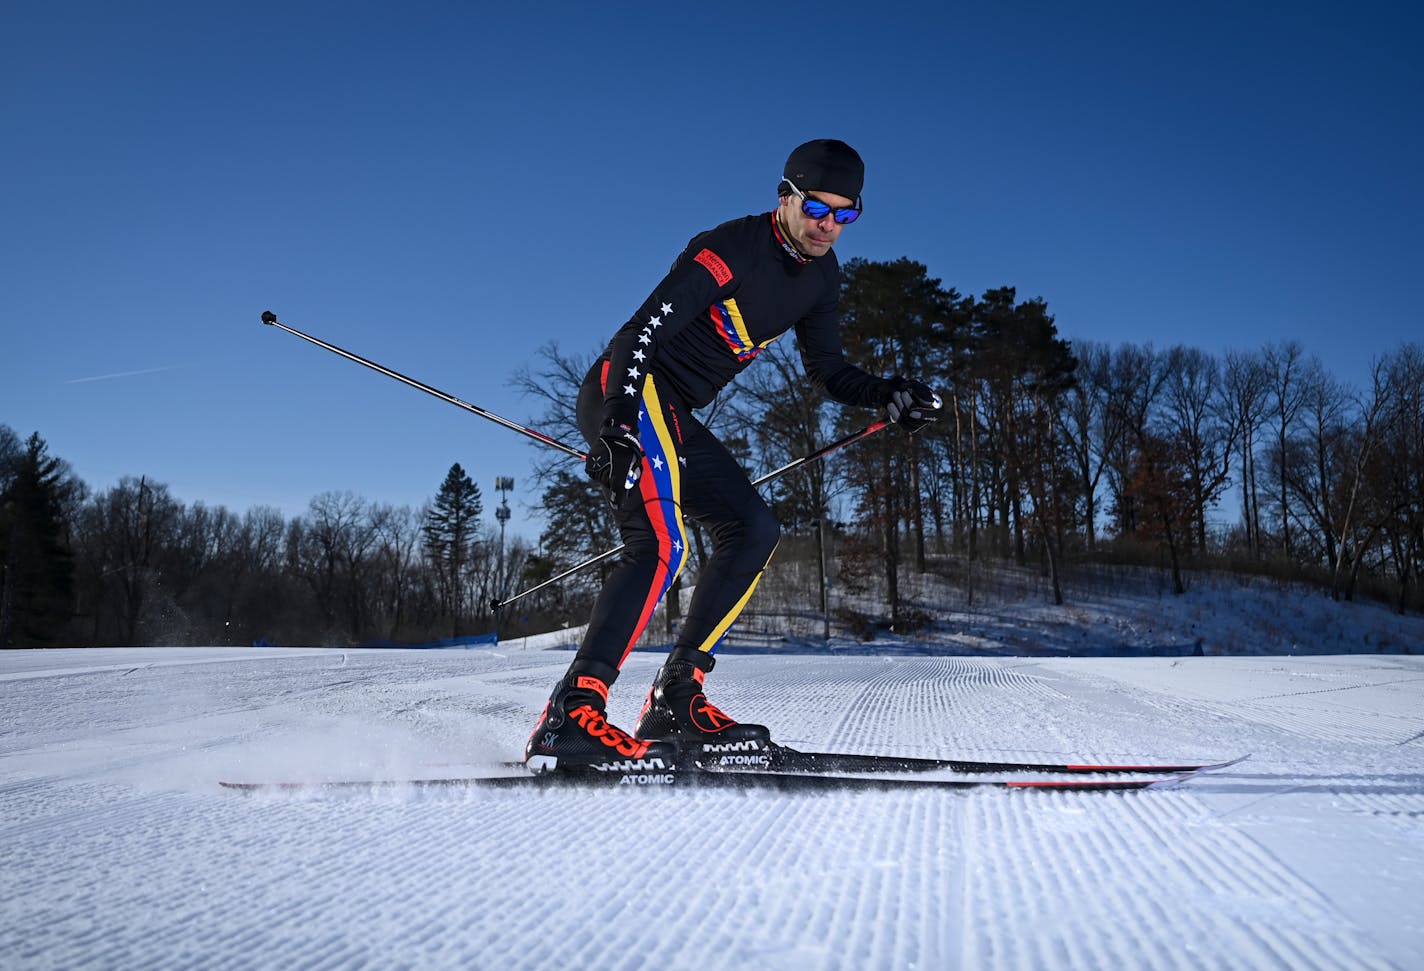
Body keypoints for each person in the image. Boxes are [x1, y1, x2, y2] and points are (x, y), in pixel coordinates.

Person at [525, 139, 942, 772]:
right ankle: (572, 712)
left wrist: (889, 393)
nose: (828, 224)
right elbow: (638, 332)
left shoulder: (823, 278)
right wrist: (614, 420)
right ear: (785, 197)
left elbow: (827, 370)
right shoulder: (729, 250)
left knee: (754, 529)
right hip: (630, 392)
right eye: (816, 208)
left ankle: (676, 699)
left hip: (676, 415)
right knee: (662, 546)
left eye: (845, 214)